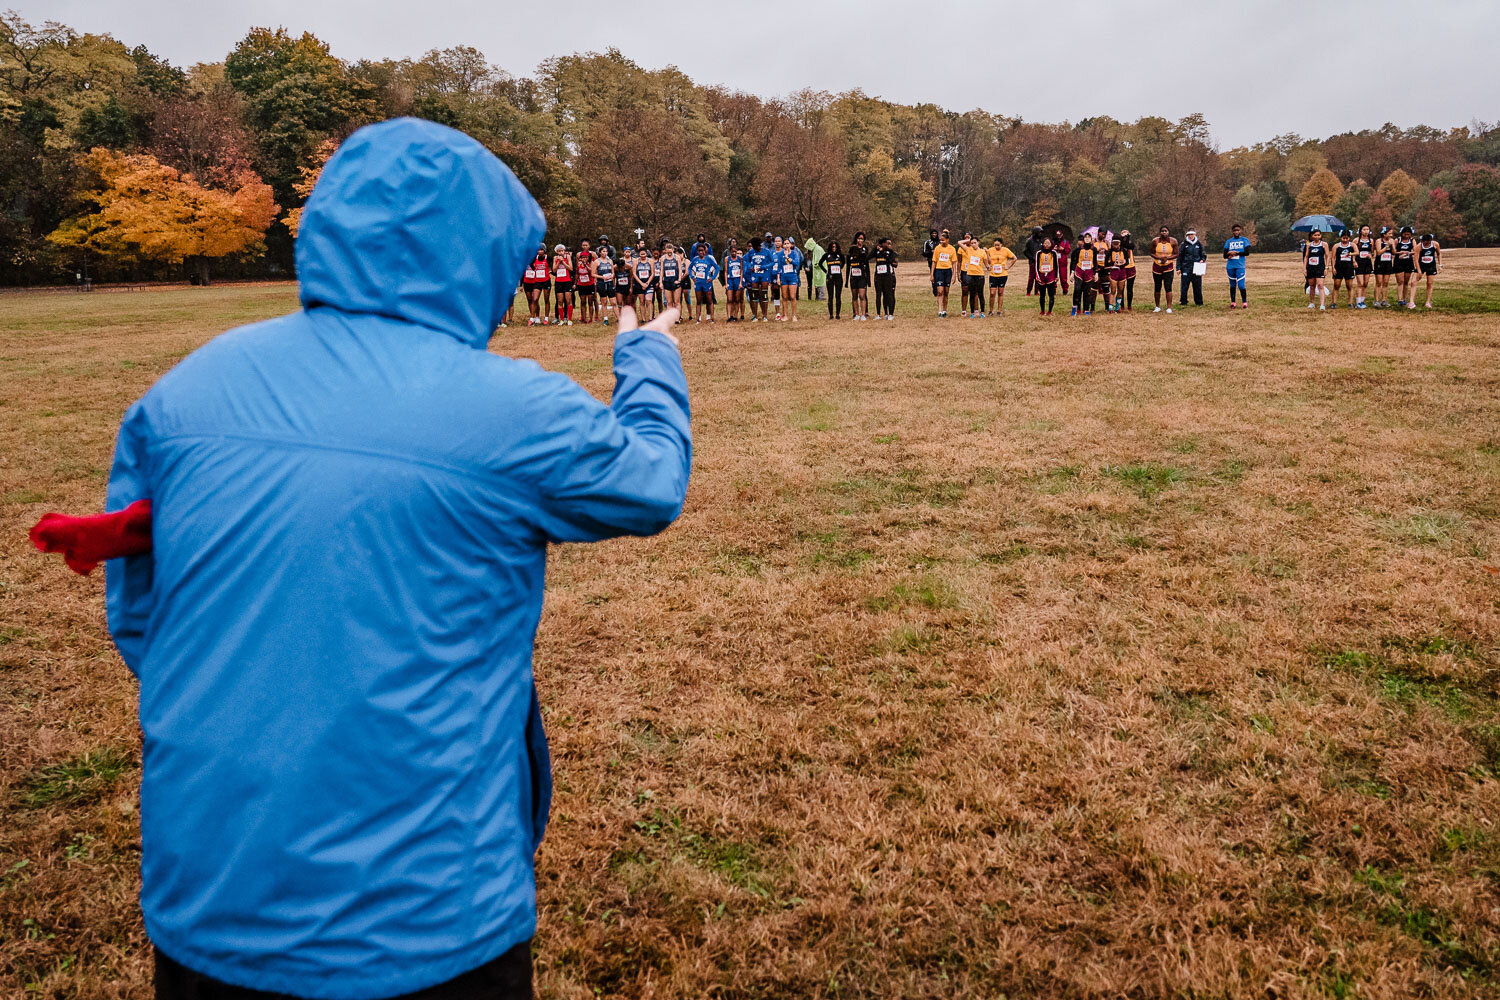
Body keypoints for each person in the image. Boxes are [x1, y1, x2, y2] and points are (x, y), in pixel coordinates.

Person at [74, 117, 691, 1000]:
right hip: (430, 916)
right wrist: (649, 357)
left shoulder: (188, 386)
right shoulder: (512, 406)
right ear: (482, 255)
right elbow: (651, 482)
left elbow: (143, 615)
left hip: (206, 897)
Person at [929, 230, 957, 317]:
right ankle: (940, 311)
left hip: (948, 271)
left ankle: (945, 310)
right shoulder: (937, 248)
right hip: (939, 271)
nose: (941, 242)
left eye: (943, 240)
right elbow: (934, 261)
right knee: (940, 291)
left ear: (947, 240)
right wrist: (932, 274)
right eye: (940, 240)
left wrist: (954, 275)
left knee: (946, 291)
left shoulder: (952, 249)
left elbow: (953, 263)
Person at [1222, 223, 1250, 309]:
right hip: (1230, 266)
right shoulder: (1229, 242)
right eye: (1235, 230)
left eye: (1238, 230)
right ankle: (1233, 302)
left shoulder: (1245, 240)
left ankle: (1244, 302)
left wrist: (1236, 253)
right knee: (1232, 285)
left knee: (1241, 285)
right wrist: (1229, 254)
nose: (1236, 232)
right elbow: (1224, 255)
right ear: (1232, 232)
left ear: (1240, 231)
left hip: (1240, 266)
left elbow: (1247, 253)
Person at [1150, 226, 1178, 313]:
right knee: (1157, 286)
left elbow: (1176, 254)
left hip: (1168, 266)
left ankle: (1169, 307)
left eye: (1166, 231)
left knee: (1168, 286)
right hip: (1157, 265)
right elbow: (1151, 252)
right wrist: (1158, 257)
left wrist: (1168, 258)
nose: (1164, 232)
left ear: (1168, 232)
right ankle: (1157, 306)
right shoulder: (1155, 241)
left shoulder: (1173, 241)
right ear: (1160, 232)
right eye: (1162, 231)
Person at [689, 245, 719, 323]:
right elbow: (689, 268)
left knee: (709, 300)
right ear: (697, 251)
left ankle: (711, 318)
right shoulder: (695, 259)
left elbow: (717, 267)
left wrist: (712, 278)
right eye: (699, 250)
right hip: (698, 283)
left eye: (702, 250)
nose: (701, 252)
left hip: (707, 283)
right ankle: (698, 319)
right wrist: (692, 276)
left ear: (705, 251)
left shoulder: (709, 259)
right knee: (698, 301)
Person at [1070, 234, 1098, 316]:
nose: (1087, 239)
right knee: (1077, 289)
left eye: (1089, 237)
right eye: (1085, 237)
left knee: (1087, 291)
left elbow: (1095, 262)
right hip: (1079, 271)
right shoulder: (1078, 250)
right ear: (1083, 239)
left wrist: (1096, 273)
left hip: (1089, 272)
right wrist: (1072, 273)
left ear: (1091, 239)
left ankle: (1086, 309)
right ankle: (1075, 307)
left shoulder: (1094, 249)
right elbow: (1074, 262)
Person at [987, 238, 1016, 315]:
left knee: (1000, 292)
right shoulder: (990, 250)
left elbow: (1014, 258)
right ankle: (990, 310)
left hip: (1003, 275)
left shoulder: (1006, 250)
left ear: (1001, 244)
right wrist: (988, 266)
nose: (996, 246)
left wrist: (1008, 266)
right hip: (993, 275)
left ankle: (999, 311)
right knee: (992, 293)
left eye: (998, 245)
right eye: (995, 245)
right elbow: (987, 260)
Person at [746, 236, 772, 322]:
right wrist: (751, 267)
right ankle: (755, 315)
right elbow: (746, 261)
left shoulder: (766, 251)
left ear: (758, 246)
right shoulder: (751, 252)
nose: (753, 248)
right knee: (754, 295)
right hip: (755, 275)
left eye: (754, 247)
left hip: (764, 275)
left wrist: (764, 267)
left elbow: (772, 262)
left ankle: (765, 315)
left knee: (764, 295)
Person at [1177, 228, 1206, 306]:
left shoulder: (1199, 244)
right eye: (1189, 234)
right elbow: (1179, 257)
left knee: (1197, 286)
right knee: (1184, 286)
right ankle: (1183, 301)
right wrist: (1178, 268)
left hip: (1197, 268)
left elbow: (1203, 255)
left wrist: (1202, 260)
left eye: (1191, 234)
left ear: (1195, 235)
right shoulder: (1183, 244)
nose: (1190, 236)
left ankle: (1199, 302)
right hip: (1186, 268)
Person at [775, 237, 801, 321]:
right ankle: (785, 315)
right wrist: (778, 278)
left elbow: (797, 263)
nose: (786, 245)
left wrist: (788, 258)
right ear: (783, 245)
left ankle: (794, 315)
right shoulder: (780, 254)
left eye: (787, 243)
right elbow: (779, 267)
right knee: (784, 297)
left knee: (793, 296)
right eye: (785, 244)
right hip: (784, 277)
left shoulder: (794, 253)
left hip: (792, 276)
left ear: (790, 244)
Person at [961, 236, 988, 317]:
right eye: (972, 243)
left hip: (979, 275)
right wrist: (968, 240)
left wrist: (987, 254)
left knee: (980, 294)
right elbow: (959, 242)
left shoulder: (982, 252)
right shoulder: (968, 250)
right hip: (970, 275)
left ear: (978, 243)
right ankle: (972, 313)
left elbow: (987, 264)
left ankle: (982, 312)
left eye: (975, 243)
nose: (973, 244)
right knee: (972, 294)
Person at [522, 245, 550, 325]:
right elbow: (530, 264)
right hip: (537, 282)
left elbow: (554, 266)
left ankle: (546, 318)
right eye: (538, 250)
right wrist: (536, 270)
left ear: (544, 250)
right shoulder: (534, 258)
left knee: (546, 300)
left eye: (542, 250)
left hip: (546, 281)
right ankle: (532, 318)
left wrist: (551, 271)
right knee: (534, 299)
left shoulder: (548, 258)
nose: (540, 251)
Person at [847, 232, 871, 320]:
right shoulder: (852, 248)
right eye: (858, 239)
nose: (860, 240)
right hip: (854, 276)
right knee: (854, 296)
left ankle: (864, 314)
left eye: (862, 239)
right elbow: (849, 261)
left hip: (862, 276)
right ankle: (856, 314)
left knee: (862, 295)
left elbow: (866, 259)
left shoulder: (865, 249)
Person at [1033, 236, 1060, 316]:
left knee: (1051, 294)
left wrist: (1057, 276)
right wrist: (1037, 277)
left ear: (1051, 244)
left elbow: (1056, 265)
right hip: (1041, 276)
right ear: (1043, 244)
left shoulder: (1053, 253)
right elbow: (1036, 265)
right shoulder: (1039, 253)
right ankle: (1042, 310)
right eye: (1045, 243)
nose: (1047, 244)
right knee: (1042, 295)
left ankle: (1049, 311)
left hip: (1050, 275)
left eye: (1048, 243)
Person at [1303, 228, 1329, 310]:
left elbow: (1327, 256)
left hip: (1320, 267)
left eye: (1318, 235)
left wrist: (1327, 267)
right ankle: (1312, 302)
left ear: (1321, 236)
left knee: (1320, 285)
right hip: (1311, 267)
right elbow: (1306, 257)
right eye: (1315, 235)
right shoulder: (1308, 245)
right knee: (1312, 285)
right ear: (1312, 236)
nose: (1317, 236)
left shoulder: (1324, 244)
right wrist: (1304, 268)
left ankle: (1322, 304)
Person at [1331, 230, 1357, 309]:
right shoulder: (1336, 246)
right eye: (1343, 238)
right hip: (1339, 267)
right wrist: (1333, 267)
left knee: (1349, 285)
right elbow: (1333, 257)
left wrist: (1350, 254)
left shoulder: (1352, 245)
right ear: (1340, 237)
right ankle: (1334, 303)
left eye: (1347, 238)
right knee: (1336, 285)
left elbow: (1357, 252)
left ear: (1349, 238)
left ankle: (1350, 303)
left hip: (1349, 267)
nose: (1345, 240)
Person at [873, 238, 898, 320]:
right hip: (879, 276)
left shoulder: (892, 253)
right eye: (887, 244)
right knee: (881, 294)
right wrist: (876, 249)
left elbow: (894, 264)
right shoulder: (878, 252)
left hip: (889, 276)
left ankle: (891, 313)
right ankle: (882, 313)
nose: (889, 245)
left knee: (890, 294)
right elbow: (869, 256)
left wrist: (885, 254)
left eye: (890, 244)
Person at [820, 239, 845, 319]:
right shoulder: (827, 255)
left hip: (838, 278)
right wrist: (826, 271)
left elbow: (843, 262)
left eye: (835, 246)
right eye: (832, 247)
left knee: (838, 296)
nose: (834, 248)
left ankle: (837, 314)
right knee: (830, 296)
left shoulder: (840, 255)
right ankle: (831, 315)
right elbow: (820, 263)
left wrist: (840, 268)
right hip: (830, 278)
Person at [550, 243, 574, 325]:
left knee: (568, 300)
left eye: (562, 251)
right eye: (559, 251)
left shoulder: (567, 257)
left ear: (564, 251)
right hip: (558, 281)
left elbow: (571, 268)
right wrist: (558, 262)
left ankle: (569, 319)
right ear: (557, 252)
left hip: (567, 281)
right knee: (560, 301)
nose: (561, 252)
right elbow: (553, 270)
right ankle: (561, 319)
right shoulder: (555, 258)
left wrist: (563, 262)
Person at [1394, 226, 1417, 307]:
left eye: (1408, 234)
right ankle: (1399, 299)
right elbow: (1393, 251)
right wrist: (1400, 253)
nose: (1406, 236)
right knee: (1400, 281)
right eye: (1405, 234)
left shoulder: (1412, 240)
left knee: (1406, 282)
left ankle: (1404, 299)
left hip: (1408, 262)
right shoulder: (1397, 240)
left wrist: (1408, 253)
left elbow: (1415, 251)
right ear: (1402, 233)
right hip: (1398, 262)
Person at [631, 246, 656, 322]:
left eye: (644, 254)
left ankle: (651, 318)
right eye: (641, 254)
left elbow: (653, 273)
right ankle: (643, 319)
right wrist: (641, 283)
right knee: (642, 301)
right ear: (639, 254)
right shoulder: (635, 261)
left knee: (649, 300)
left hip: (649, 283)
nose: (643, 256)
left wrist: (647, 282)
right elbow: (634, 273)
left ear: (646, 253)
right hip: (639, 283)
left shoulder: (651, 261)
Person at [574, 239, 596, 324]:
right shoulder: (579, 264)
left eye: (586, 257)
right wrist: (575, 283)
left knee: (590, 301)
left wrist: (585, 264)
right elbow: (577, 273)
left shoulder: (591, 263)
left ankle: (591, 318)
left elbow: (592, 272)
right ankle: (583, 318)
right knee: (583, 301)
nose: (584, 258)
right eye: (582, 257)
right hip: (581, 284)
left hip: (590, 284)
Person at [1416, 232, 1441, 308]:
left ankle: (1428, 302)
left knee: (1429, 283)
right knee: (1414, 282)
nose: (1426, 244)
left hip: (1431, 265)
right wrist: (1419, 271)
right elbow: (1416, 259)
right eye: (1424, 242)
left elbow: (1439, 254)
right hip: (1421, 265)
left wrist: (1440, 265)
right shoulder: (1419, 246)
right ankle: (1411, 301)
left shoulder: (1435, 244)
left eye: (1428, 242)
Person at [1373, 226, 1396, 307]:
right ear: (1384, 234)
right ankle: (1376, 300)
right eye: (1389, 233)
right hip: (1379, 263)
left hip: (1388, 263)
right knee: (1379, 282)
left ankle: (1384, 300)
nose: (1391, 235)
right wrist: (1387, 246)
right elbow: (1379, 252)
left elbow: (1394, 252)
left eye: (1392, 233)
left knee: (1385, 283)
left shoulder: (1392, 241)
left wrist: (1392, 246)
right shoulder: (1379, 241)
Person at [593, 244, 616, 324]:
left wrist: (612, 276)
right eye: (603, 251)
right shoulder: (596, 262)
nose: (605, 253)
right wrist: (602, 277)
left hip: (610, 283)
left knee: (613, 302)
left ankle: (619, 318)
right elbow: (593, 274)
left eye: (606, 251)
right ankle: (605, 319)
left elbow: (613, 272)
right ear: (600, 252)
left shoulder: (610, 261)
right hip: (601, 283)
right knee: (604, 302)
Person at [722, 246, 745, 322]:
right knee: (729, 299)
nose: (734, 253)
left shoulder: (740, 259)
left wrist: (741, 282)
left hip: (737, 279)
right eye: (733, 252)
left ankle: (735, 316)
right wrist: (726, 283)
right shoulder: (727, 259)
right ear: (730, 252)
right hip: (730, 280)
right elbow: (725, 271)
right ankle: (729, 316)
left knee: (737, 299)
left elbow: (741, 271)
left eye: (735, 252)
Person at [1354, 224, 1374, 308]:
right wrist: (1354, 261)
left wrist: (1371, 255)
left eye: (1367, 229)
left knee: (1365, 283)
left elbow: (1372, 252)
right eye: (1364, 229)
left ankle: (1362, 301)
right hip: (1359, 263)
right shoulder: (1356, 240)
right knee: (1360, 283)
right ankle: (1358, 302)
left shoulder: (1371, 240)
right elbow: (1352, 251)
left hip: (1367, 263)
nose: (1366, 231)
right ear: (1360, 231)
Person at [1107, 237, 1129, 312]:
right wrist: (1113, 263)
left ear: (1120, 243)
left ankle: (1118, 306)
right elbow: (1105, 263)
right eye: (1114, 244)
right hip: (1113, 272)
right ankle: (1110, 307)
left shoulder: (1124, 251)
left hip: (1122, 272)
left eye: (1117, 244)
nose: (1116, 246)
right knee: (1113, 290)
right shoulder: (1109, 252)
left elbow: (1127, 262)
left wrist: (1122, 264)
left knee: (1120, 290)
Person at [1023, 226, 1044, 296]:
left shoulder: (1041, 240)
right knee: (1031, 278)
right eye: (1039, 232)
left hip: (1040, 261)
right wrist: (1031, 258)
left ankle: (1036, 292)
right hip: (1032, 262)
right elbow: (1025, 251)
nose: (1040, 234)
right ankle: (1028, 292)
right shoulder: (1029, 241)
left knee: (1038, 277)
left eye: (1041, 232)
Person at [1119, 230, 1137, 311]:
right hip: (1122, 267)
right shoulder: (1119, 244)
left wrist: (1127, 237)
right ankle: (1121, 305)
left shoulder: (1130, 244)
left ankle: (1129, 305)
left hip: (1131, 266)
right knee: (1121, 288)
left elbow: (1131, 246)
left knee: (1130, 288)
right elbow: (1122, 246)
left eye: (1126, 235)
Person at [804, 236, 825, 301]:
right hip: (817, 269)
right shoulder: (816, 249)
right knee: (818, 282)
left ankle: (821, 296)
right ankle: (819, 296)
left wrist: (814, 265)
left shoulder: (817, 249)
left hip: (819, 269)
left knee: (820, 281)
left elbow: (818, 260)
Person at [923, 228, 939, 296]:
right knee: (933, 275)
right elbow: (924, 252)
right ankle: (935, 290)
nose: (934, 235)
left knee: (939, 276)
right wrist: (930, 252)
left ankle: (940, 289)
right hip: (931, 261)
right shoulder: (927, 242)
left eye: (935, 233)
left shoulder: (940, 242)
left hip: (940, 262)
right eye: (933, 233)